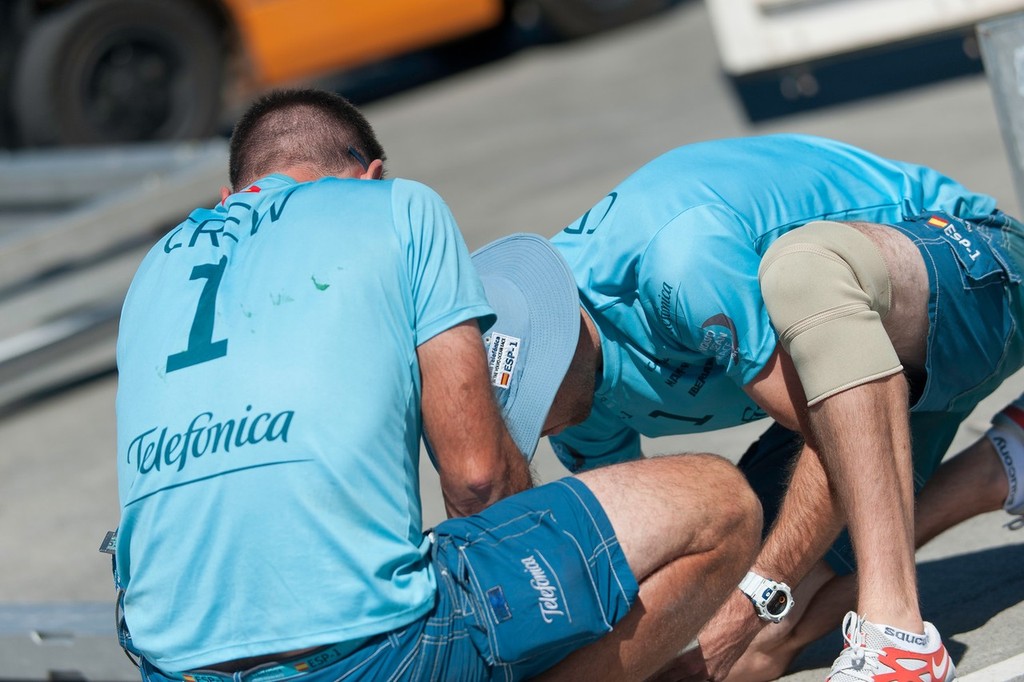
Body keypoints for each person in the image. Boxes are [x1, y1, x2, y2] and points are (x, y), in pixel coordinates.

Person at [110, 87, 762, 682]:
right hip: (366, 659)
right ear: (368, 175)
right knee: (720, 504)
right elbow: (479, 480)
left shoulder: (156, 269)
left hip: (172, 666)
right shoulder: (396, 207)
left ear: (232, 199)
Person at [469, 133, 1024, 682]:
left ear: (557, 344)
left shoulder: (678, 264)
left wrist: (743, 610)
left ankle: (898, 637)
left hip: (968, 266)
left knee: (804, 273)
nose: (539, 431)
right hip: (865, 382)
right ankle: (999, 466)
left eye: (532, 407)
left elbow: (833, 449)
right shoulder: (575, 404)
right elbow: (642, 561)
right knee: (750, 649)